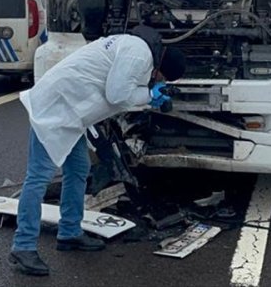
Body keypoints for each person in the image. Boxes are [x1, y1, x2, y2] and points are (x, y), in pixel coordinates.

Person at [9, 26, 186, 277]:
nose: (161, 83)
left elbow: (117, 89)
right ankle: (22, 247)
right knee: (38, 177)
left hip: (72, 114)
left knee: (78, 169)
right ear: (161, 70)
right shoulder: (139, 53)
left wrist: (148, 96)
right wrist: (149, 94)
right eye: (163, 80)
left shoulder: (135, 48)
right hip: (54, 110)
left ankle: (69, 232)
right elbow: (117, 95)